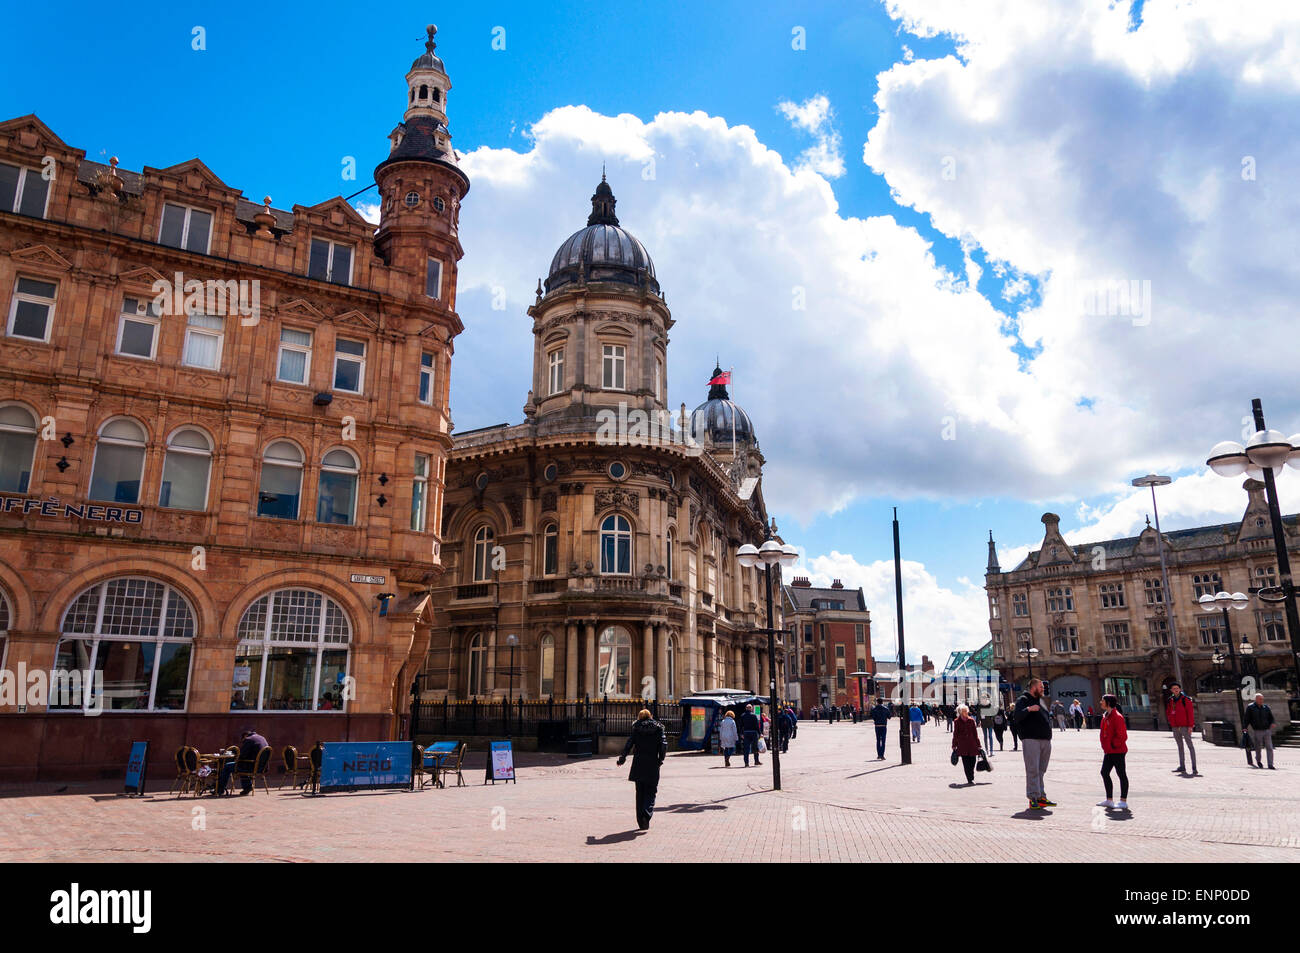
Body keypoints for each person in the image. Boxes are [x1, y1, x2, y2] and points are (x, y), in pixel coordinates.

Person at [617, 709, 667, 830]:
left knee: (640, 792)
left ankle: (640, 820)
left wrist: (622, 758)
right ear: (651, 716)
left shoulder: (636, 728)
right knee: (651, 791)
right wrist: (661, 759)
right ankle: (647, 813)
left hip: (638, 762)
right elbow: (663, 744)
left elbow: (629, 744)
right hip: (652, 762)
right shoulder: (658, 728)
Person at [1012, 677, 1054, 810]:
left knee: (1041, 770)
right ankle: (1033, 798)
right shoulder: (1023, 700)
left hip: (1045, 739)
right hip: (1031, 739)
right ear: (1033, 687)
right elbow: (1017, 717)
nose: (1043, 689)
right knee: (1032, 770)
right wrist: (1029, 709)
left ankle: (1041, 796)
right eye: (1041, 687)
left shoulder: (1040, 701)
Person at [1098, 693, 1129, 810]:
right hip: (1109, 751)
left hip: (1117, 751)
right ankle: (1109, 800)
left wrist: (1112, 745)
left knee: (1121, 774)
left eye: (1102, 700)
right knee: (1104, 772)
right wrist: (1105, 745)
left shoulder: (1117, 717)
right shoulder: (1105, 716)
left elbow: (1122, 736)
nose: (1101, 702)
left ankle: (1123, 800)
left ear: (1108, 703)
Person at [218, 726, 268, 796]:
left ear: (245, 736)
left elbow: (242, 755)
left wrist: (235, 756)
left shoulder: (249, 739)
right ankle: (247, 787)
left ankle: (220, 789)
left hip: (251, 766)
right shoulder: (262, 738)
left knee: (227, 766)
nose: (243, 742)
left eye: (243, 741)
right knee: (241, 764)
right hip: (262, 766)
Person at [1166, 683, 1198, 775]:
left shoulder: (1186, 700)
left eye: (1177, 688)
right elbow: (1168, 712)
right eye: (1173, 688)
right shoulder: (1170, 700)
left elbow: (1190, 713)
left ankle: (1194, 767)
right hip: (1175, 727)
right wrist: (1171, 721)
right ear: (1171, 690)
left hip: (1185, 726)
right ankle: (1182, 766)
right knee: (1180, 747)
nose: (1175, 690)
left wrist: (1190, 726)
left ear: (1180, 689)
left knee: (1190, 746)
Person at [952, 704, 982, 785]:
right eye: (964, 711)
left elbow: (975, 734)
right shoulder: (956, 721)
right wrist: (954, 745)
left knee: (973, 761)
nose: (966, 712)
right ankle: (970, 779)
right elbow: (955, 734)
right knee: (966, 763)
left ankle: (971, 774)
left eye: (966, 711)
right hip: (963, 745)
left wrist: (979, 745)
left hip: (972, 744)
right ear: (960, 712)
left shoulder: (971, 720)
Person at [1244, 693, 1277, 769]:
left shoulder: (1266, 707)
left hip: (1267, 730)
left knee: (1269, 747)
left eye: (1262, 699)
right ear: (1256, 699)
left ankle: (1270, 764)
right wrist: (1245, 727)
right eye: (1260, 699)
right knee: (1258, 747)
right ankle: (1258, 761)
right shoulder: (1250, 707)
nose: (1262, 700)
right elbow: (1247, 718)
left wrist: (1272, 723)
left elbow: (1271, 717)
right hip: (1257, 730)